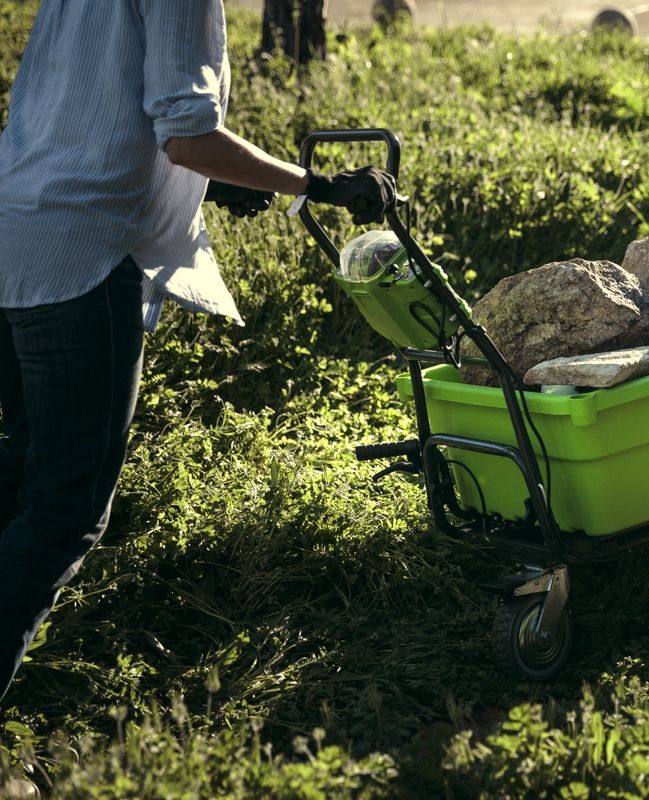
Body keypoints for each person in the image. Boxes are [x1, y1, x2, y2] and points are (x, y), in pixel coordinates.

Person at [0, 0, 396, 703]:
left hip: (16, 223)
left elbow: (95, 101)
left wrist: (217, 182)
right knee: (64, 510)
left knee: (21, 471)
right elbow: (187, 134)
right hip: (79, 252)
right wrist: (317, 186)